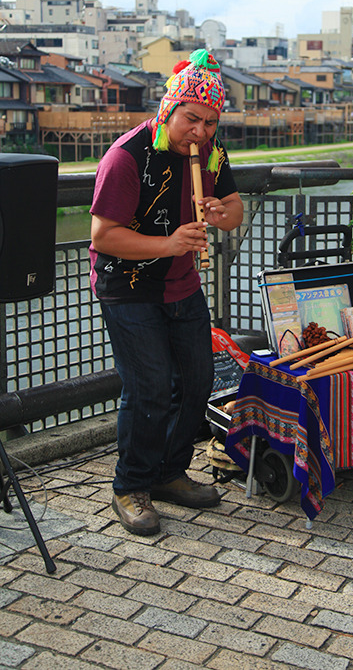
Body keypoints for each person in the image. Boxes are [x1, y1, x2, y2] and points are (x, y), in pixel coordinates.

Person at [89, 49, 244, 536]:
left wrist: (222, 213)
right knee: (150, 388)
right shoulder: (127, 156)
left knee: (197, 381)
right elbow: (103, 235)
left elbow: (235, 208)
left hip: (181, 284)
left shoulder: (213, 154)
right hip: (128, 286)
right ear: (168, 109)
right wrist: (170, 243)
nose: (200, 131)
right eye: (190, 119)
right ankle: (130, 485)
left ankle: (169, 473)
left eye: (210, 122)